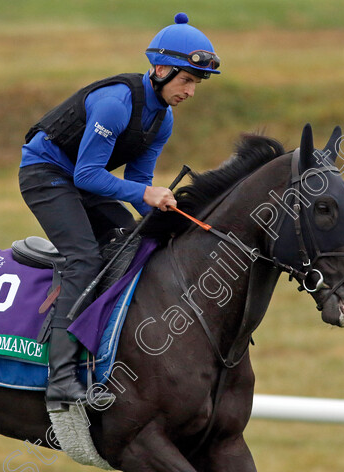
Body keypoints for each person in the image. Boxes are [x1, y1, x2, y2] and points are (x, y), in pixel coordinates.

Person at [19, 12, 220, 411]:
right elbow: (89, 173)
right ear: (160, 70)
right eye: (186, 80)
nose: (190, 91)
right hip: (46, 175)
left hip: (79, 179)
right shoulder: (114, 104)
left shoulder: (162, 120)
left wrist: (164, 213)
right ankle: (59, 378)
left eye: (195, 84)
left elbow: (139, 178)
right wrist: (147, 193)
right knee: (84, 259)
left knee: (131, 239)